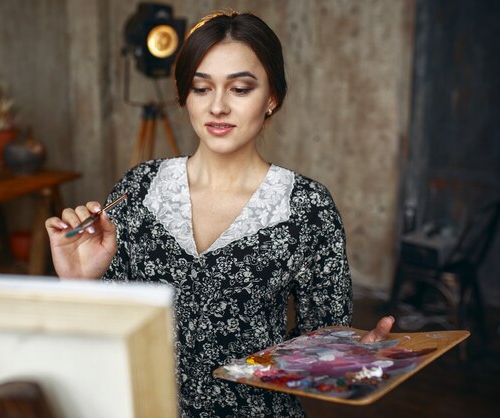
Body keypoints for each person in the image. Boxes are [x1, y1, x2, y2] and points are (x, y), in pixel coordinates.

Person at [46, 10, 394, 418]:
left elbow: (320, 344)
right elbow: (107, 338)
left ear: (272, 98)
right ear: (184, 96)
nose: (218, 107)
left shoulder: (307, 207)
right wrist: (80, 283)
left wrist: (348, 358)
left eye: (240, 88)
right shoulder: (139, 190)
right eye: (201, 88)